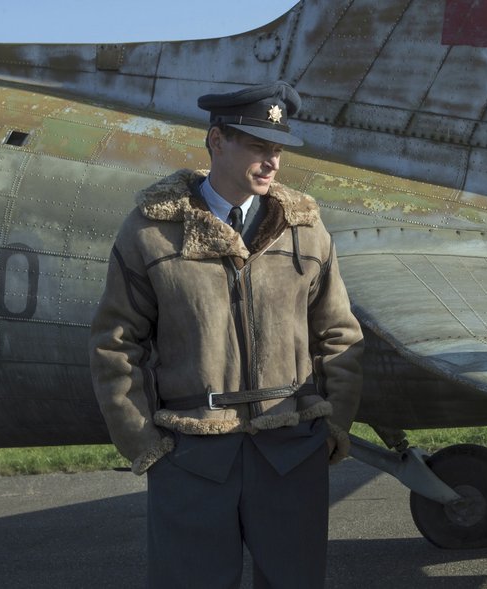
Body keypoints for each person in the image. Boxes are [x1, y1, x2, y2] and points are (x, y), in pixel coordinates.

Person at [88, 81, 364, 588]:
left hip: (290, 451)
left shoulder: (306, 230)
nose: (272, 161)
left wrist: (332, 426)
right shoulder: (151, 232)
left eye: (277, 149)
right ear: (217, 141)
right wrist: (143, 441)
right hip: (193, 457)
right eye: (257, 146)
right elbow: (115, 342)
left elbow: (339, 335)